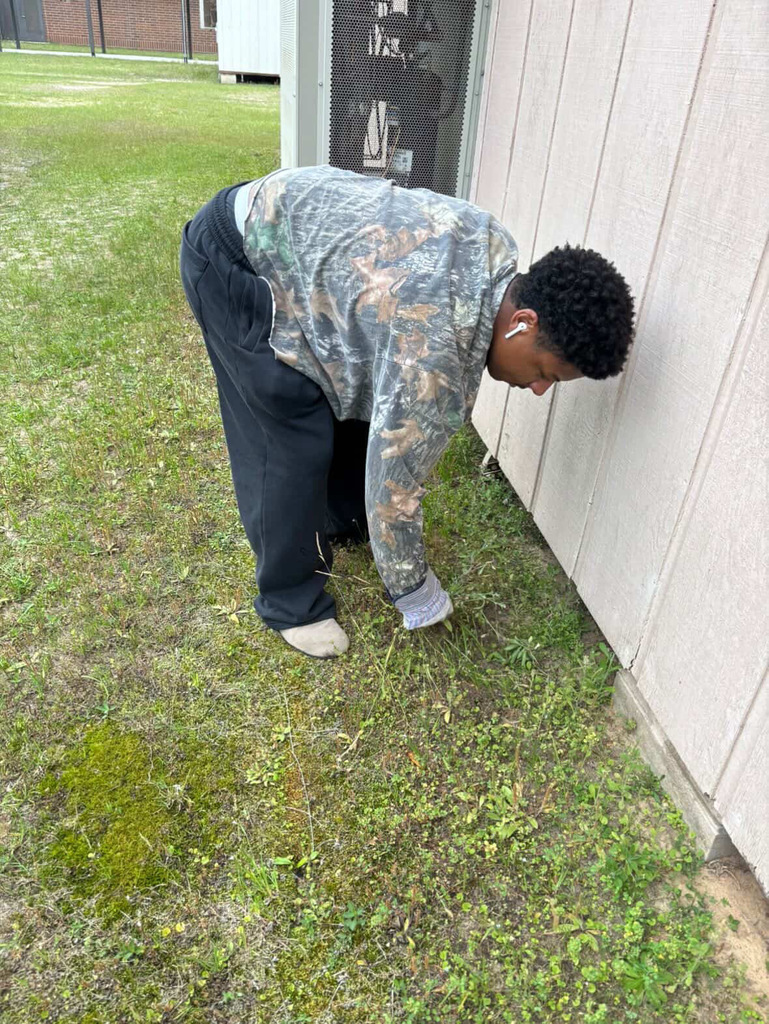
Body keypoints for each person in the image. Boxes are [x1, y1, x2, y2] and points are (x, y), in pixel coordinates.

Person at [179, 165, 634, 659]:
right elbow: (393, 488)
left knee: (359, 405)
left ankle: (339, 518)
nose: (541, 389)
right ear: (523, 323)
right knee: (289, 432)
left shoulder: (495, 251)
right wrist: (416, 592)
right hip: (236, 260)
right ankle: (290, 601)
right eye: (547, 371)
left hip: (293, 245)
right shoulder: (439, 344)